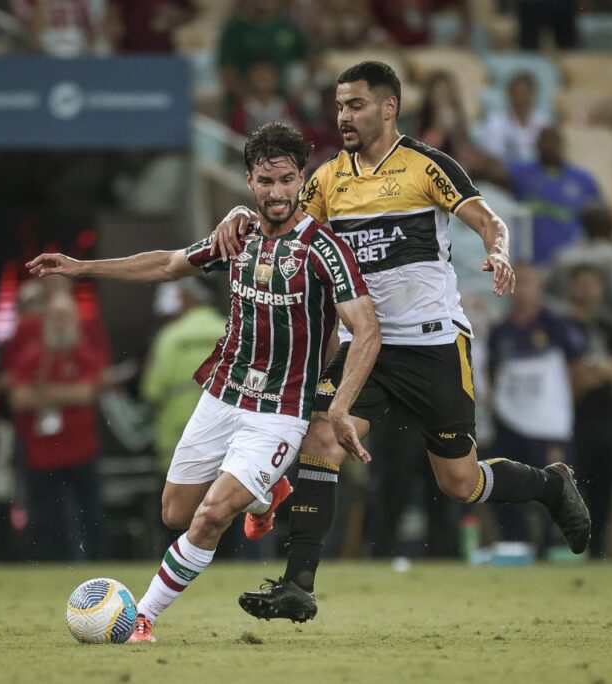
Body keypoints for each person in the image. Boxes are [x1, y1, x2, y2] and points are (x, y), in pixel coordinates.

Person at [214, 62, 590, 622]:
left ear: (389, 107)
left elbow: (489, 221)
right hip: (366, 348)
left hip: (434, 345)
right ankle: (298, 586)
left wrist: (501, 251)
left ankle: (549, 486)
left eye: (356, 105)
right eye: (340, 105)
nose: (344, 116)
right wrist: (242, 211)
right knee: (323, 436)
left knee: (460, 482)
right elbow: (281, 221)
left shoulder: (425, 166)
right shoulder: (324, 180)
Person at [27, 121, 380, 642]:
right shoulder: (237, 235)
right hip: (222, 396)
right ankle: (268, 492)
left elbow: (367, 330)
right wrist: (81, 268)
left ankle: (140, 617)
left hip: (279, 411)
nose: (277, 192)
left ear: (301, 180)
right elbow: (168, 264)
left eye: (286, 181)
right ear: (249, 181)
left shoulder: (324, 250)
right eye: (265, 182)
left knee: (212, 515)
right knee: (176, 513)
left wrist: (339, 407)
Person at [487, 264, 585, 549]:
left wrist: (558, 409)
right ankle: (516, 544)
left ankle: (559, 546)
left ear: (539, 287)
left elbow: (578, 372)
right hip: (510, 423)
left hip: (548, 425)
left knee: (556, 486)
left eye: (527, 281)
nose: (521, 289)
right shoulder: (500, 331)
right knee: (506, 484)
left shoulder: (557, 325)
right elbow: (494, 375)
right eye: (515, 282)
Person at [8, 292, 105, 561]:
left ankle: (97, 564)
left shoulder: (84, 354)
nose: (61, 323)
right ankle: (48, 564)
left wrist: (43, 393)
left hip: (81, 449)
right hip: (42, 453)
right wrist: (65, 393)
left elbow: (85, 394)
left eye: (66, 316)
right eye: (55, 317)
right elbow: (18, 399)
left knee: (90, 514)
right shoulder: (32, 356)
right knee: (44, 517)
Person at [564, 265, 612, 558]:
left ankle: (597, 552)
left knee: (605, 488)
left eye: (592, 284)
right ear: (571, 289)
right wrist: (608, 371)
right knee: (571, 487)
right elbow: (572, 375)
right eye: (580, 284)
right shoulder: (561, 325)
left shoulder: (611, 326)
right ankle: (572, 550)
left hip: (608, 420)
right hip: (571, 420)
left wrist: (595, 370)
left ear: (601, 290)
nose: (586, 290)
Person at [141, 278, 227, 472]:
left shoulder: (169, 337)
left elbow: (151, 391)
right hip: (224, 445)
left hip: (178, 447)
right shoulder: (231, 331)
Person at [504, 126, 602, 266]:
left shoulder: (583, 180)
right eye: (544, 140)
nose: (549, 145)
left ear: (562, 144)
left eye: (553, 140)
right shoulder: (520, 173)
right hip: (529, 259)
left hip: (569, 259)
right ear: (536, 145)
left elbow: (598, 217)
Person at [481, 72, 550, 164]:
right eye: (517, 94)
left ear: (533, 95)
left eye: (524, 93)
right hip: (506, 173)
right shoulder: (496, 122)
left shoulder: (542, 121)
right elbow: (493, 156)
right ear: (509, 95)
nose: (520, 99)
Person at [227, 60, 301, 136]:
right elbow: (233, 140)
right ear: (250, 77)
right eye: (257, 72)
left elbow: (297, 134)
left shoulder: (286, 107)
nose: (262, 76)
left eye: (266, 72)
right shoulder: (242, 110)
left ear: (275, 77)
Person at [10, 0, 99, 57]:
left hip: (75, 38)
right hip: (48, 39)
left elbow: (91, 27)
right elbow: (31, 27)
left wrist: (89, 49)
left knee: (71, 38)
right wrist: (43, 5)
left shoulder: (79, 2)